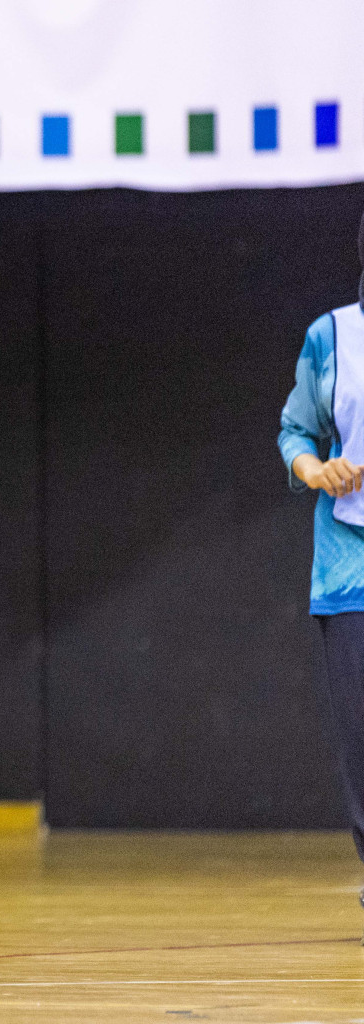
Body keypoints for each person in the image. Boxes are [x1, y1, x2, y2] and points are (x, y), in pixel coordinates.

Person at [280, 210, 364, 906]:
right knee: (362, 743)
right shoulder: (330, 334)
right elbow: (295, 430)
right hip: (350, 571)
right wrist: (315, 470)